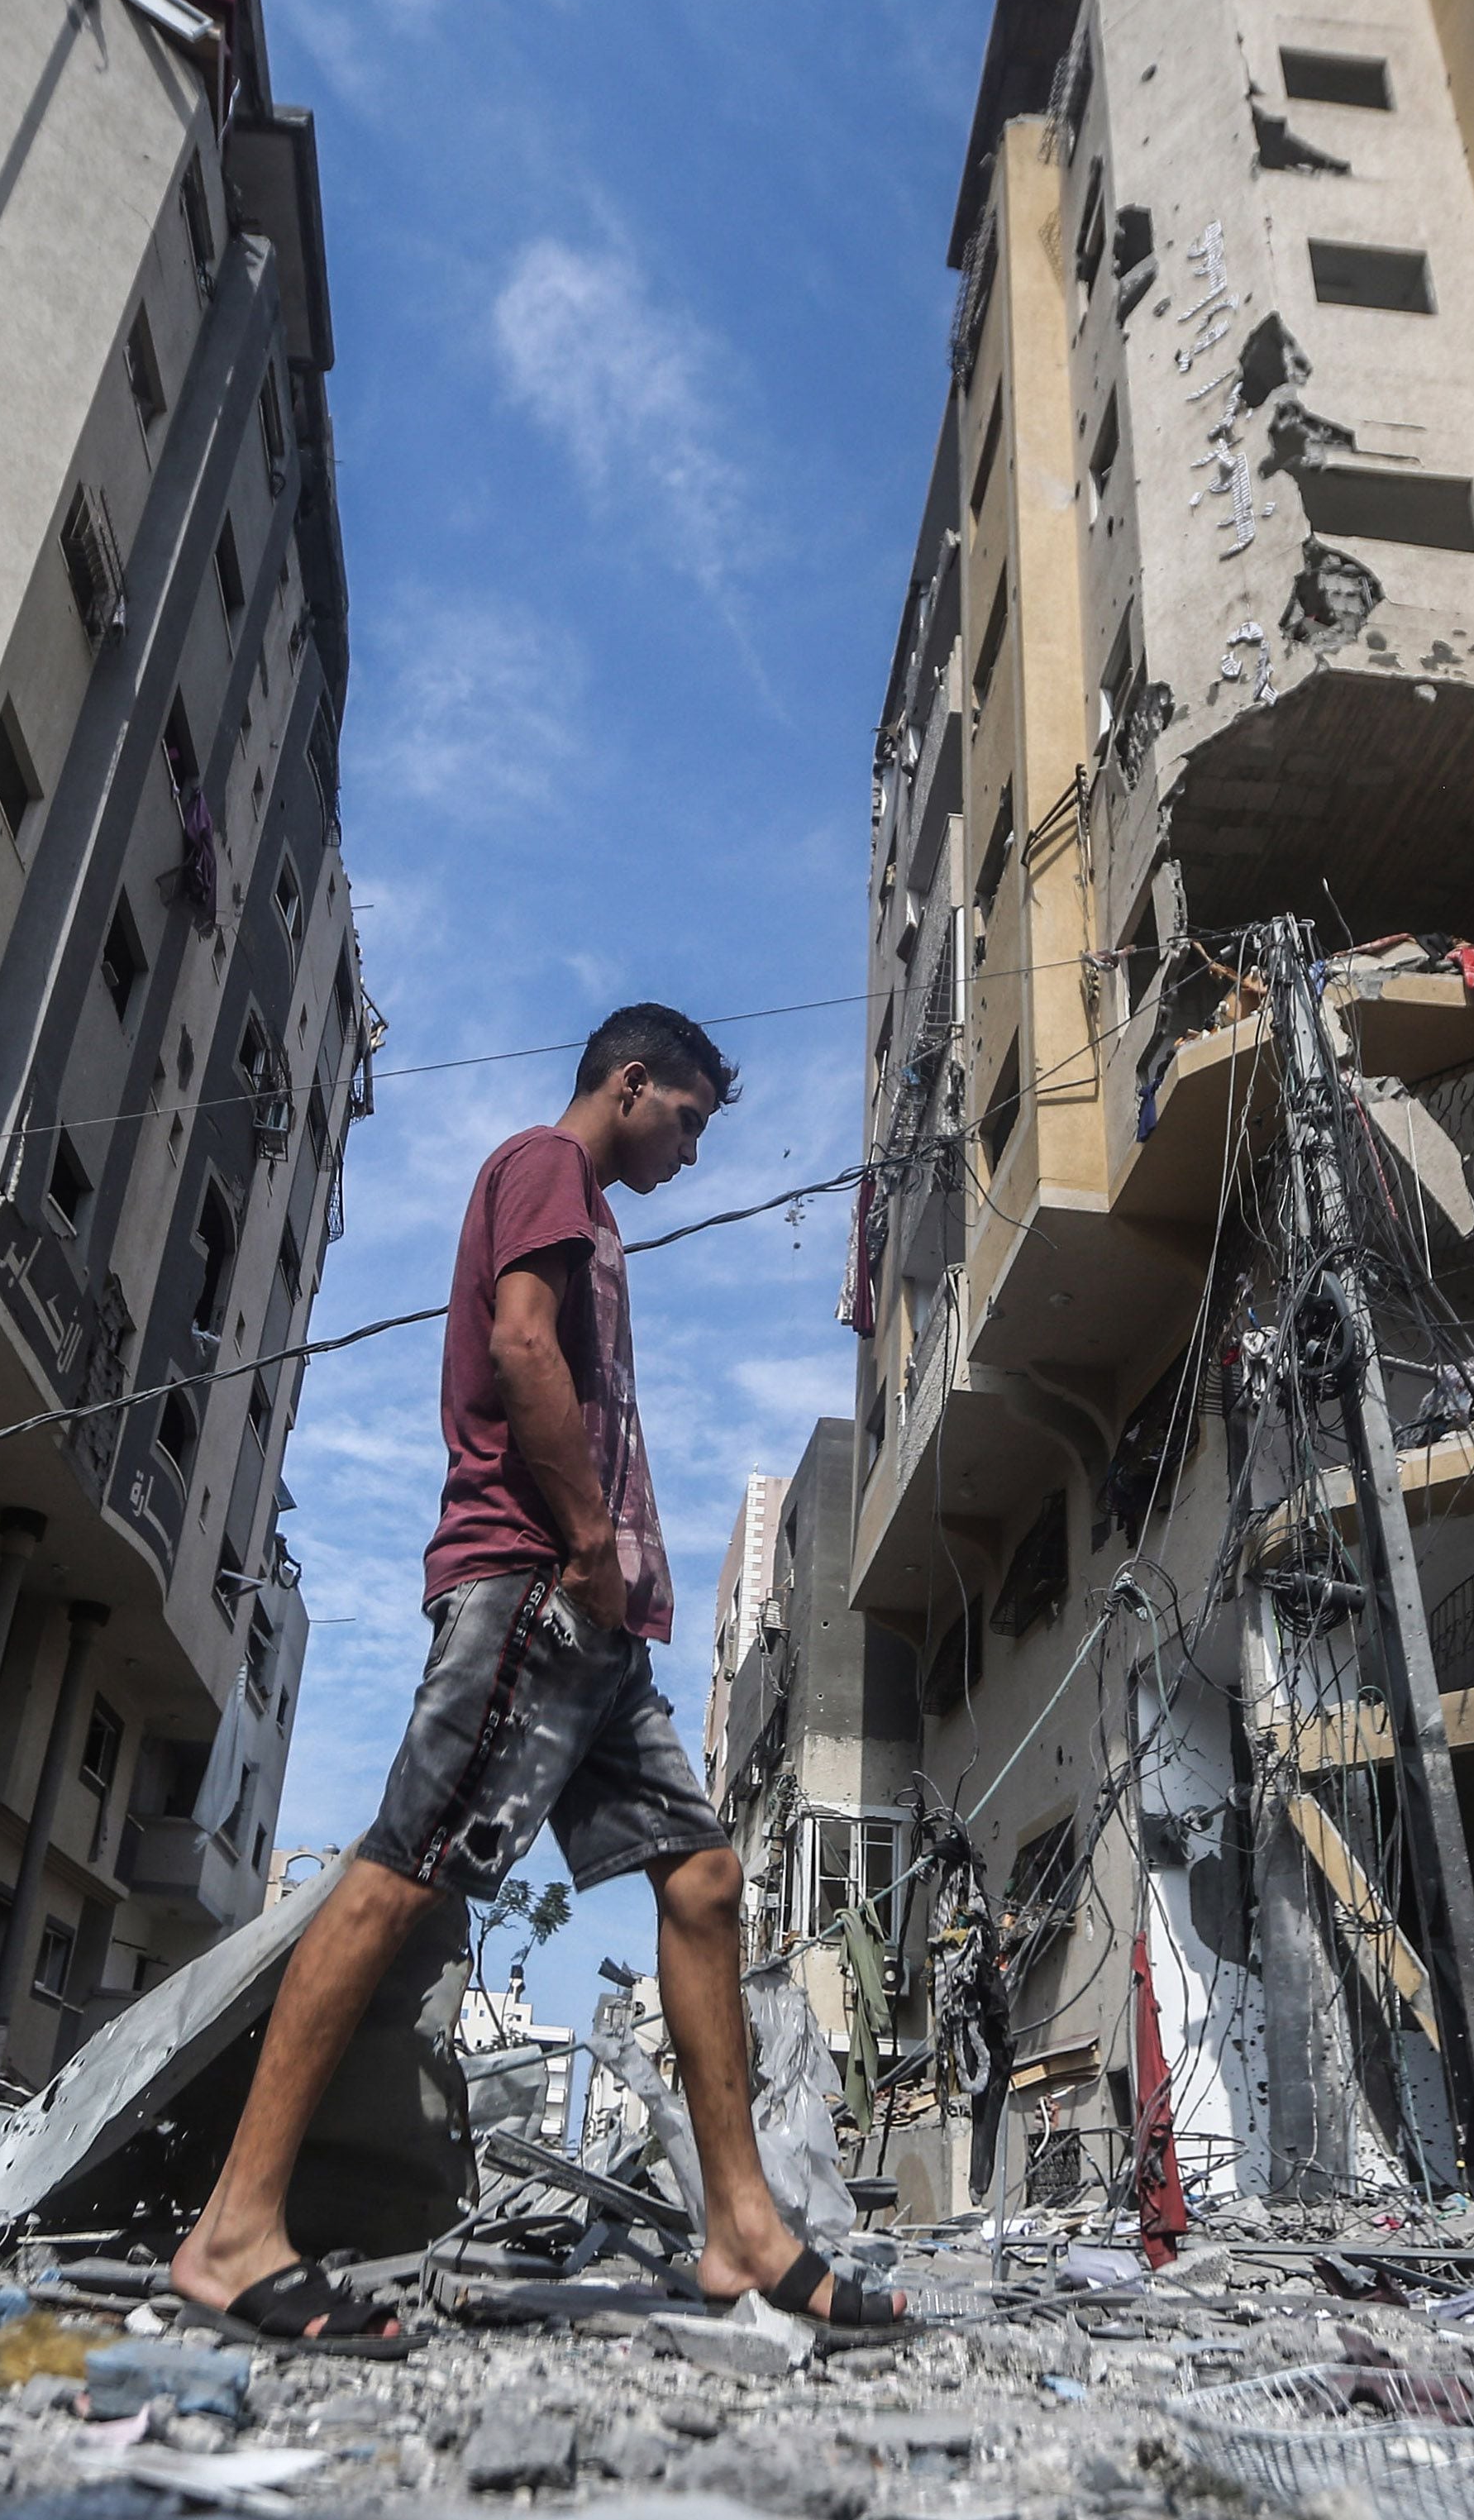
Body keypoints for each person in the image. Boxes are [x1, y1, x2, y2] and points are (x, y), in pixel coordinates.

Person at [173, 1003, 907, 2345]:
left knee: (704, 1878)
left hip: (592, 1622)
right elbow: (521, 1347)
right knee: (400, 1874)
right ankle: (232, 2231)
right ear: (629, 1084)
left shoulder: (591, 1207)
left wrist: (609, 1580)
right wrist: (583, 1542)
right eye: (683, 1119)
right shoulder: (542, 1165)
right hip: (532, 1583)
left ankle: (743, 2229)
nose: (691, 1148)